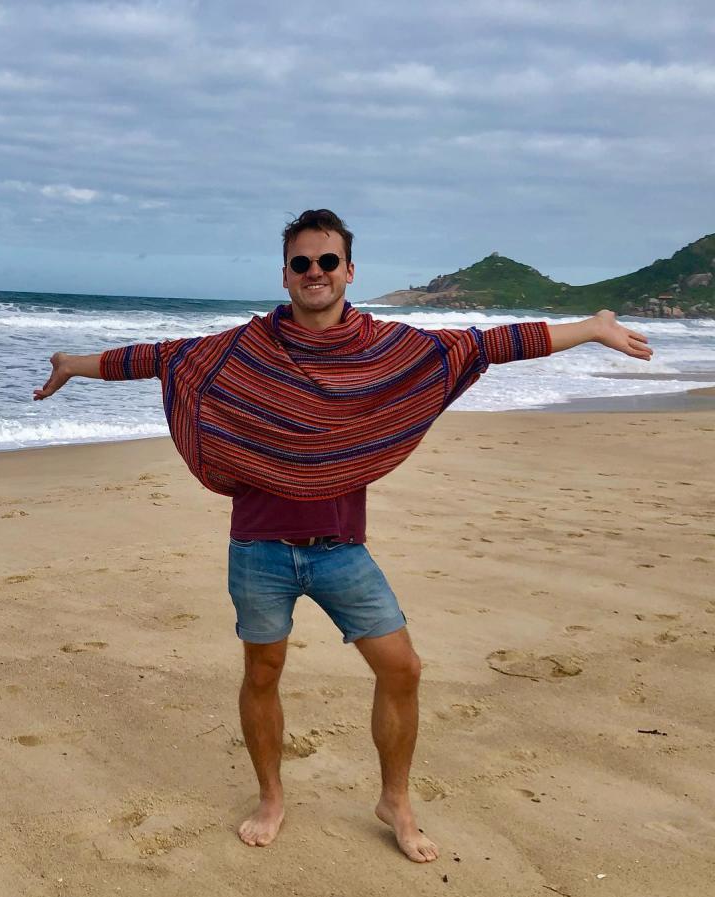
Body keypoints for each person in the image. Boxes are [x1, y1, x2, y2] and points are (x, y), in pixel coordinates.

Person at [33, 209, 652, 862]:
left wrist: (590, 329)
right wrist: (74, 363)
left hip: (340, 552)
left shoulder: (384, 349)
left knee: (402, 668)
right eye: (302, 263)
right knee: (263, 672)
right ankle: (271, 797)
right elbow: (160, 359)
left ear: (348, 271)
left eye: (327, 261)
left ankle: (396, 800)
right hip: (260, 550)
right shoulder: (244, 349)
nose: (315, 273)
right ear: (286, 273)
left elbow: (483, 344)